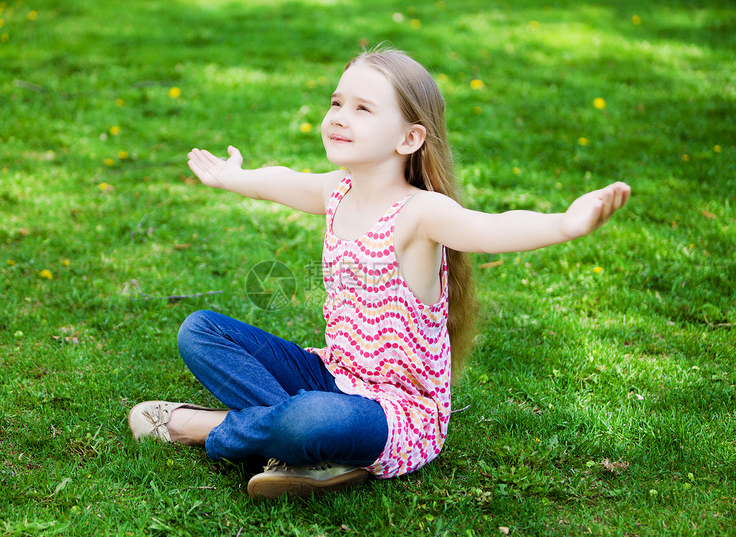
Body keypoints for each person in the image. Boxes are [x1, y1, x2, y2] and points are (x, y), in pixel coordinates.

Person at [128, 48, 630, 500]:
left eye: (363, 109)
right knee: (201, 330)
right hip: (335, 375)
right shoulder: (337, 191)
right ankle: (304, 449)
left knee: (312, 417)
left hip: (396, 415)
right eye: (336, 103)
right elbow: (280, 180)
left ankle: (209, 429)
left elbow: (489, 229)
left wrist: (567, 223)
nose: (339, 118)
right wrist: (234, 177)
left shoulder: (420, 213)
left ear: (410, 138)